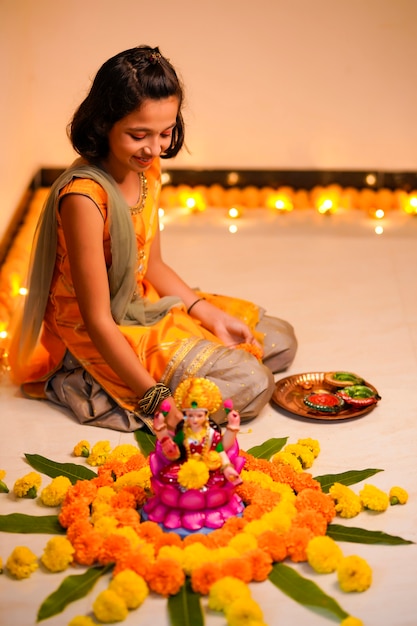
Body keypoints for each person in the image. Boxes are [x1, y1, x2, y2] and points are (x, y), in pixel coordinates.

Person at [9, 45, 297, 432]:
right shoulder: (83, 199)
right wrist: (155, 400)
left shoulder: (147, 168)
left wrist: (205, 312)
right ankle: (79, 382)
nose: (154, 148)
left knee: (278, 340)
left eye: (166, 132)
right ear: (103, 124)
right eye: (138, 135)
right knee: (253, 383)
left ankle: (203, 367)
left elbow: (153, 265)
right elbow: (96, 320)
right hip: (101, 333)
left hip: (141, 301)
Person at [143, 377, 246, 532]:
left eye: (199, 415)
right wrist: (161, 430)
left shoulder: (211, 434)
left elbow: (221, 451)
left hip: (208, 469)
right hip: (184, 466)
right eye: (190, 416)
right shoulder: (184, 433)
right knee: (166, 475)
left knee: (221, 481)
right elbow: (172, 450)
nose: (194, 420)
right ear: (185, 416)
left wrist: (227, 467)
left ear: (206, 415)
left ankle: (194, 496)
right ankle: (189, 495)